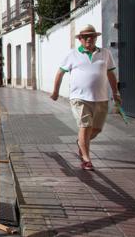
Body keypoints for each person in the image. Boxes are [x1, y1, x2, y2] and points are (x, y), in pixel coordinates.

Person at [50, 24, 120, 171]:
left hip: (101, 98)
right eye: (85, 37)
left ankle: (81, 142)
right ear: (80, 39)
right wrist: (55, 91)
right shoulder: (72, 54)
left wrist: (115, 93)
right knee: (85, 126)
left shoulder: (105, 53)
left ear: (96, 38)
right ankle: (86, 159)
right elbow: (60, 73)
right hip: (79, 98)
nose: (89, 39)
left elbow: (111, 74)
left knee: (96, 129)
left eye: (92, 36)